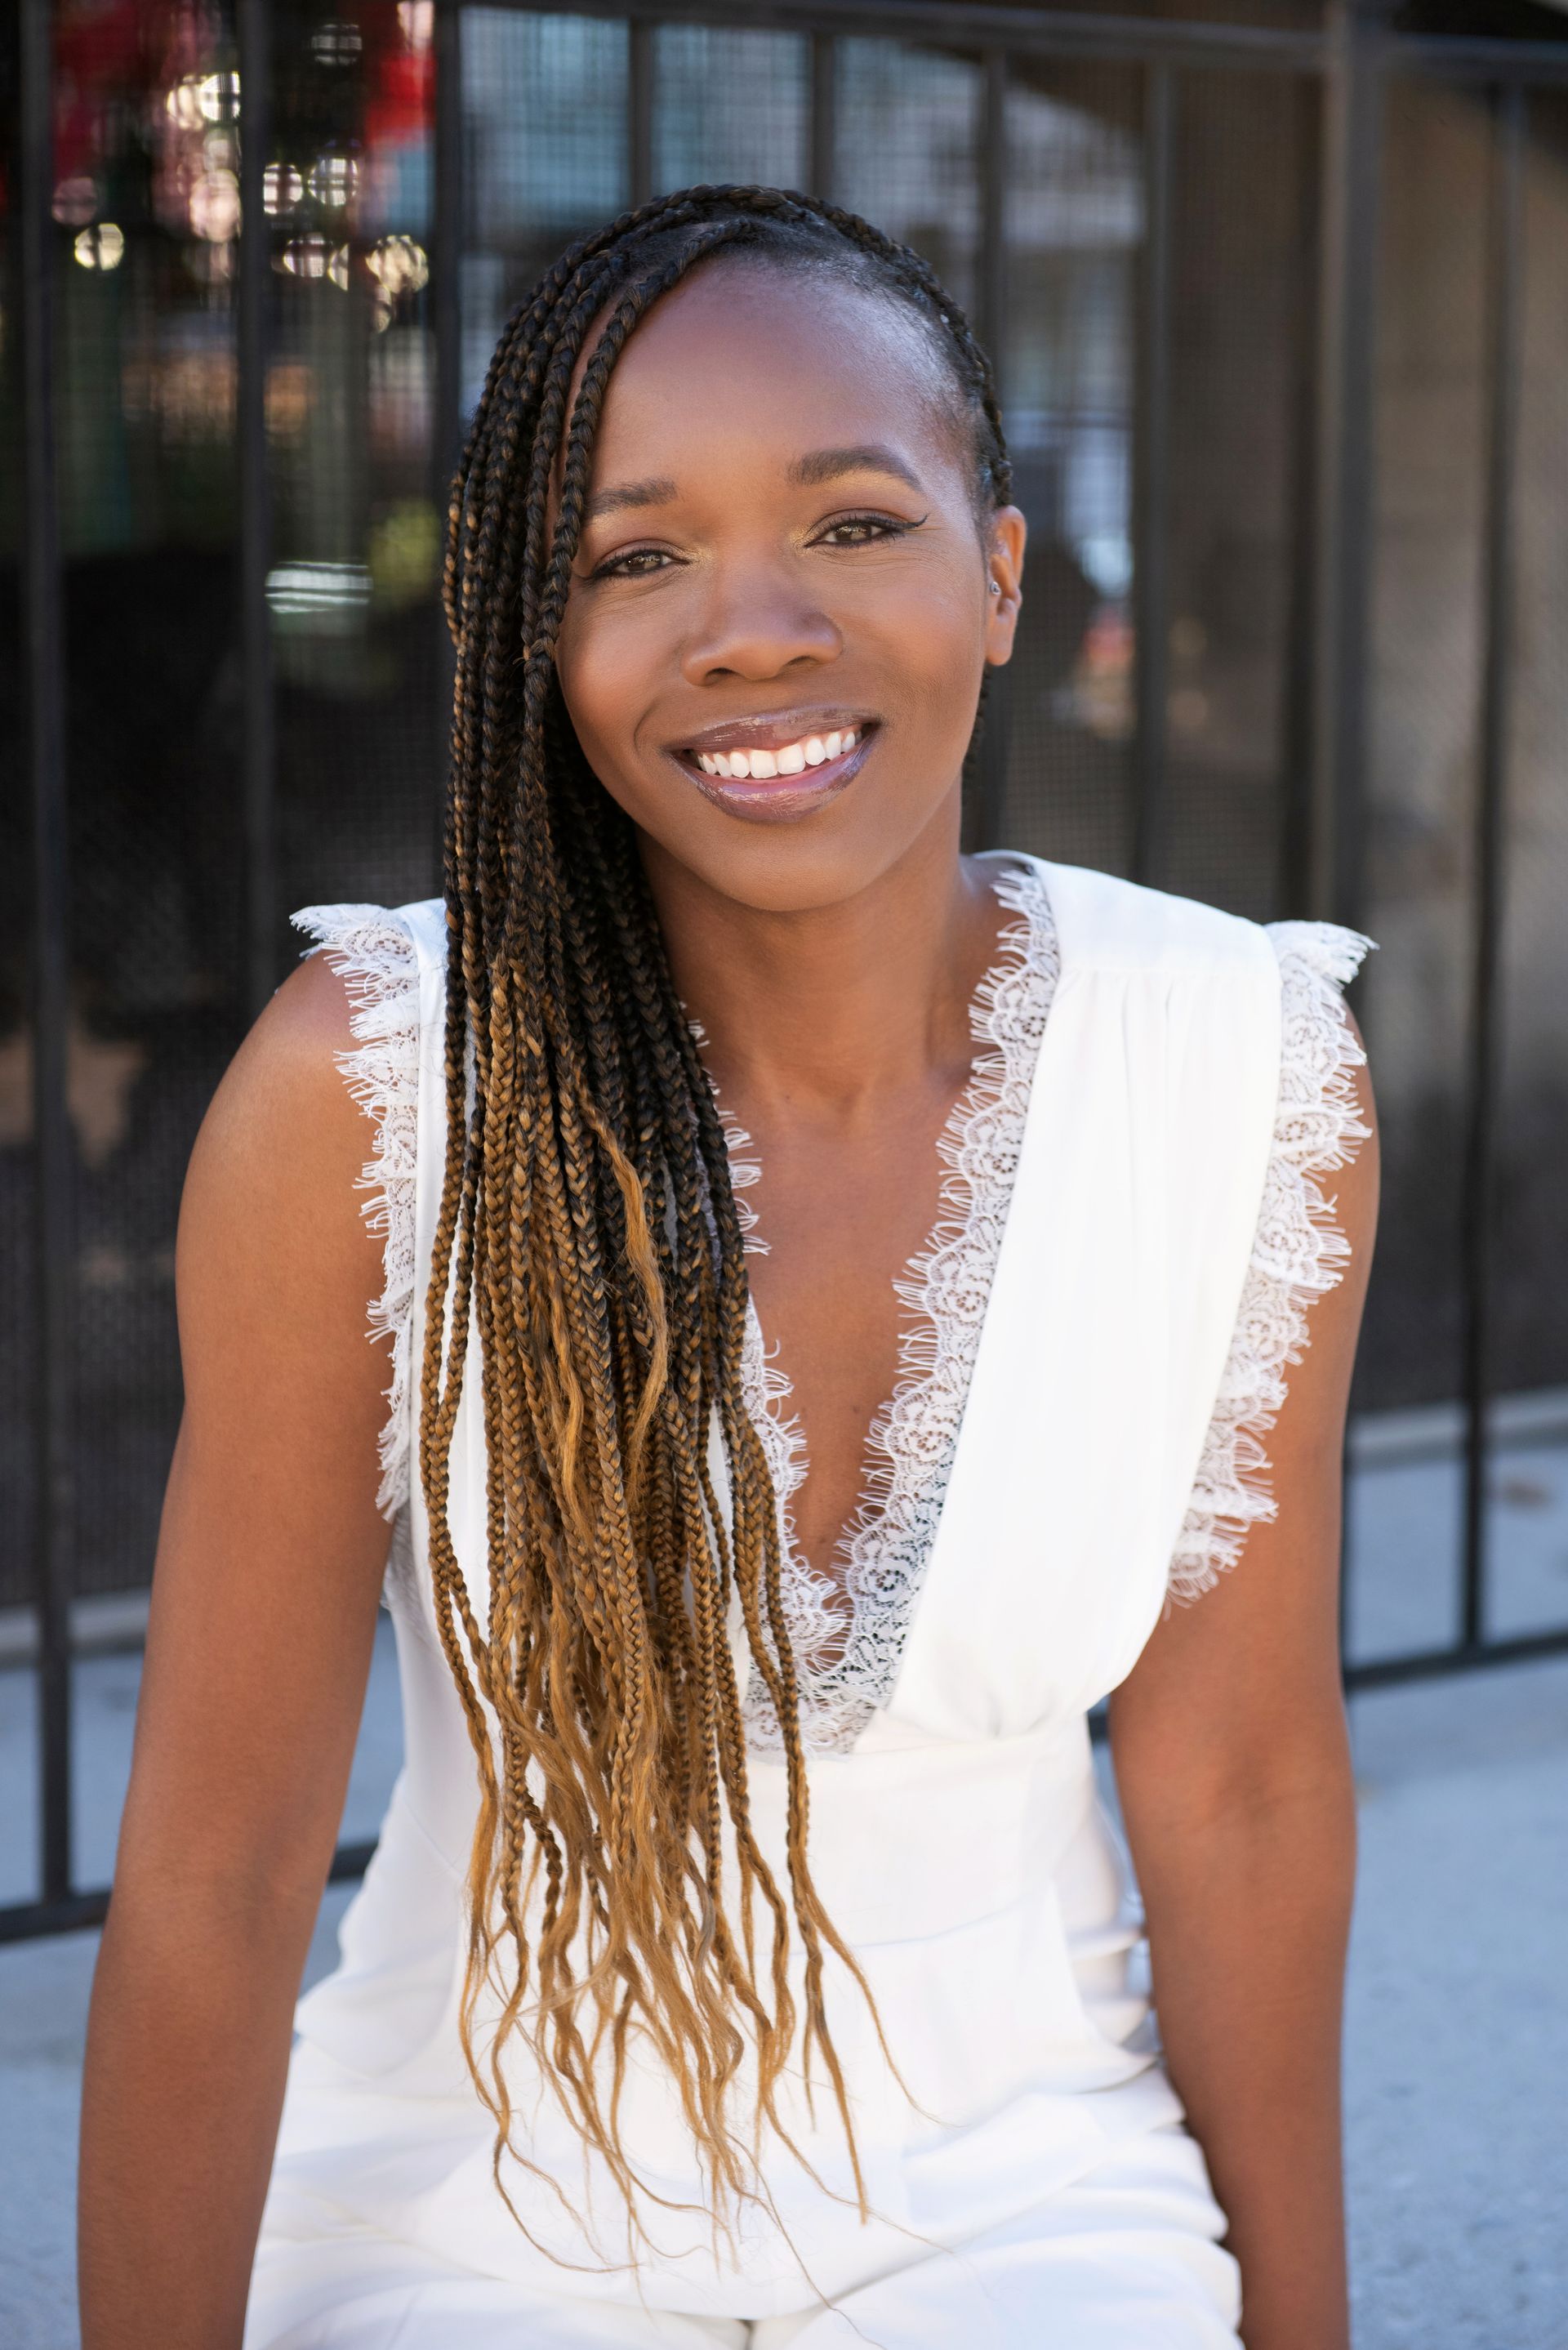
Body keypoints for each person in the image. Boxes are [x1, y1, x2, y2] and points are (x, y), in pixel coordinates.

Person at [79, 187, 1378, 2350]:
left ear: (1003, 577)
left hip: (1029, 2191)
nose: (751, 628)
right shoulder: (384, 1091)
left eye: (855, 525)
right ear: (536, 643)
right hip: (466, 2212)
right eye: (631, 555)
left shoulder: (1232, 1059)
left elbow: (1241, 1787)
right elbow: (213, 1888)